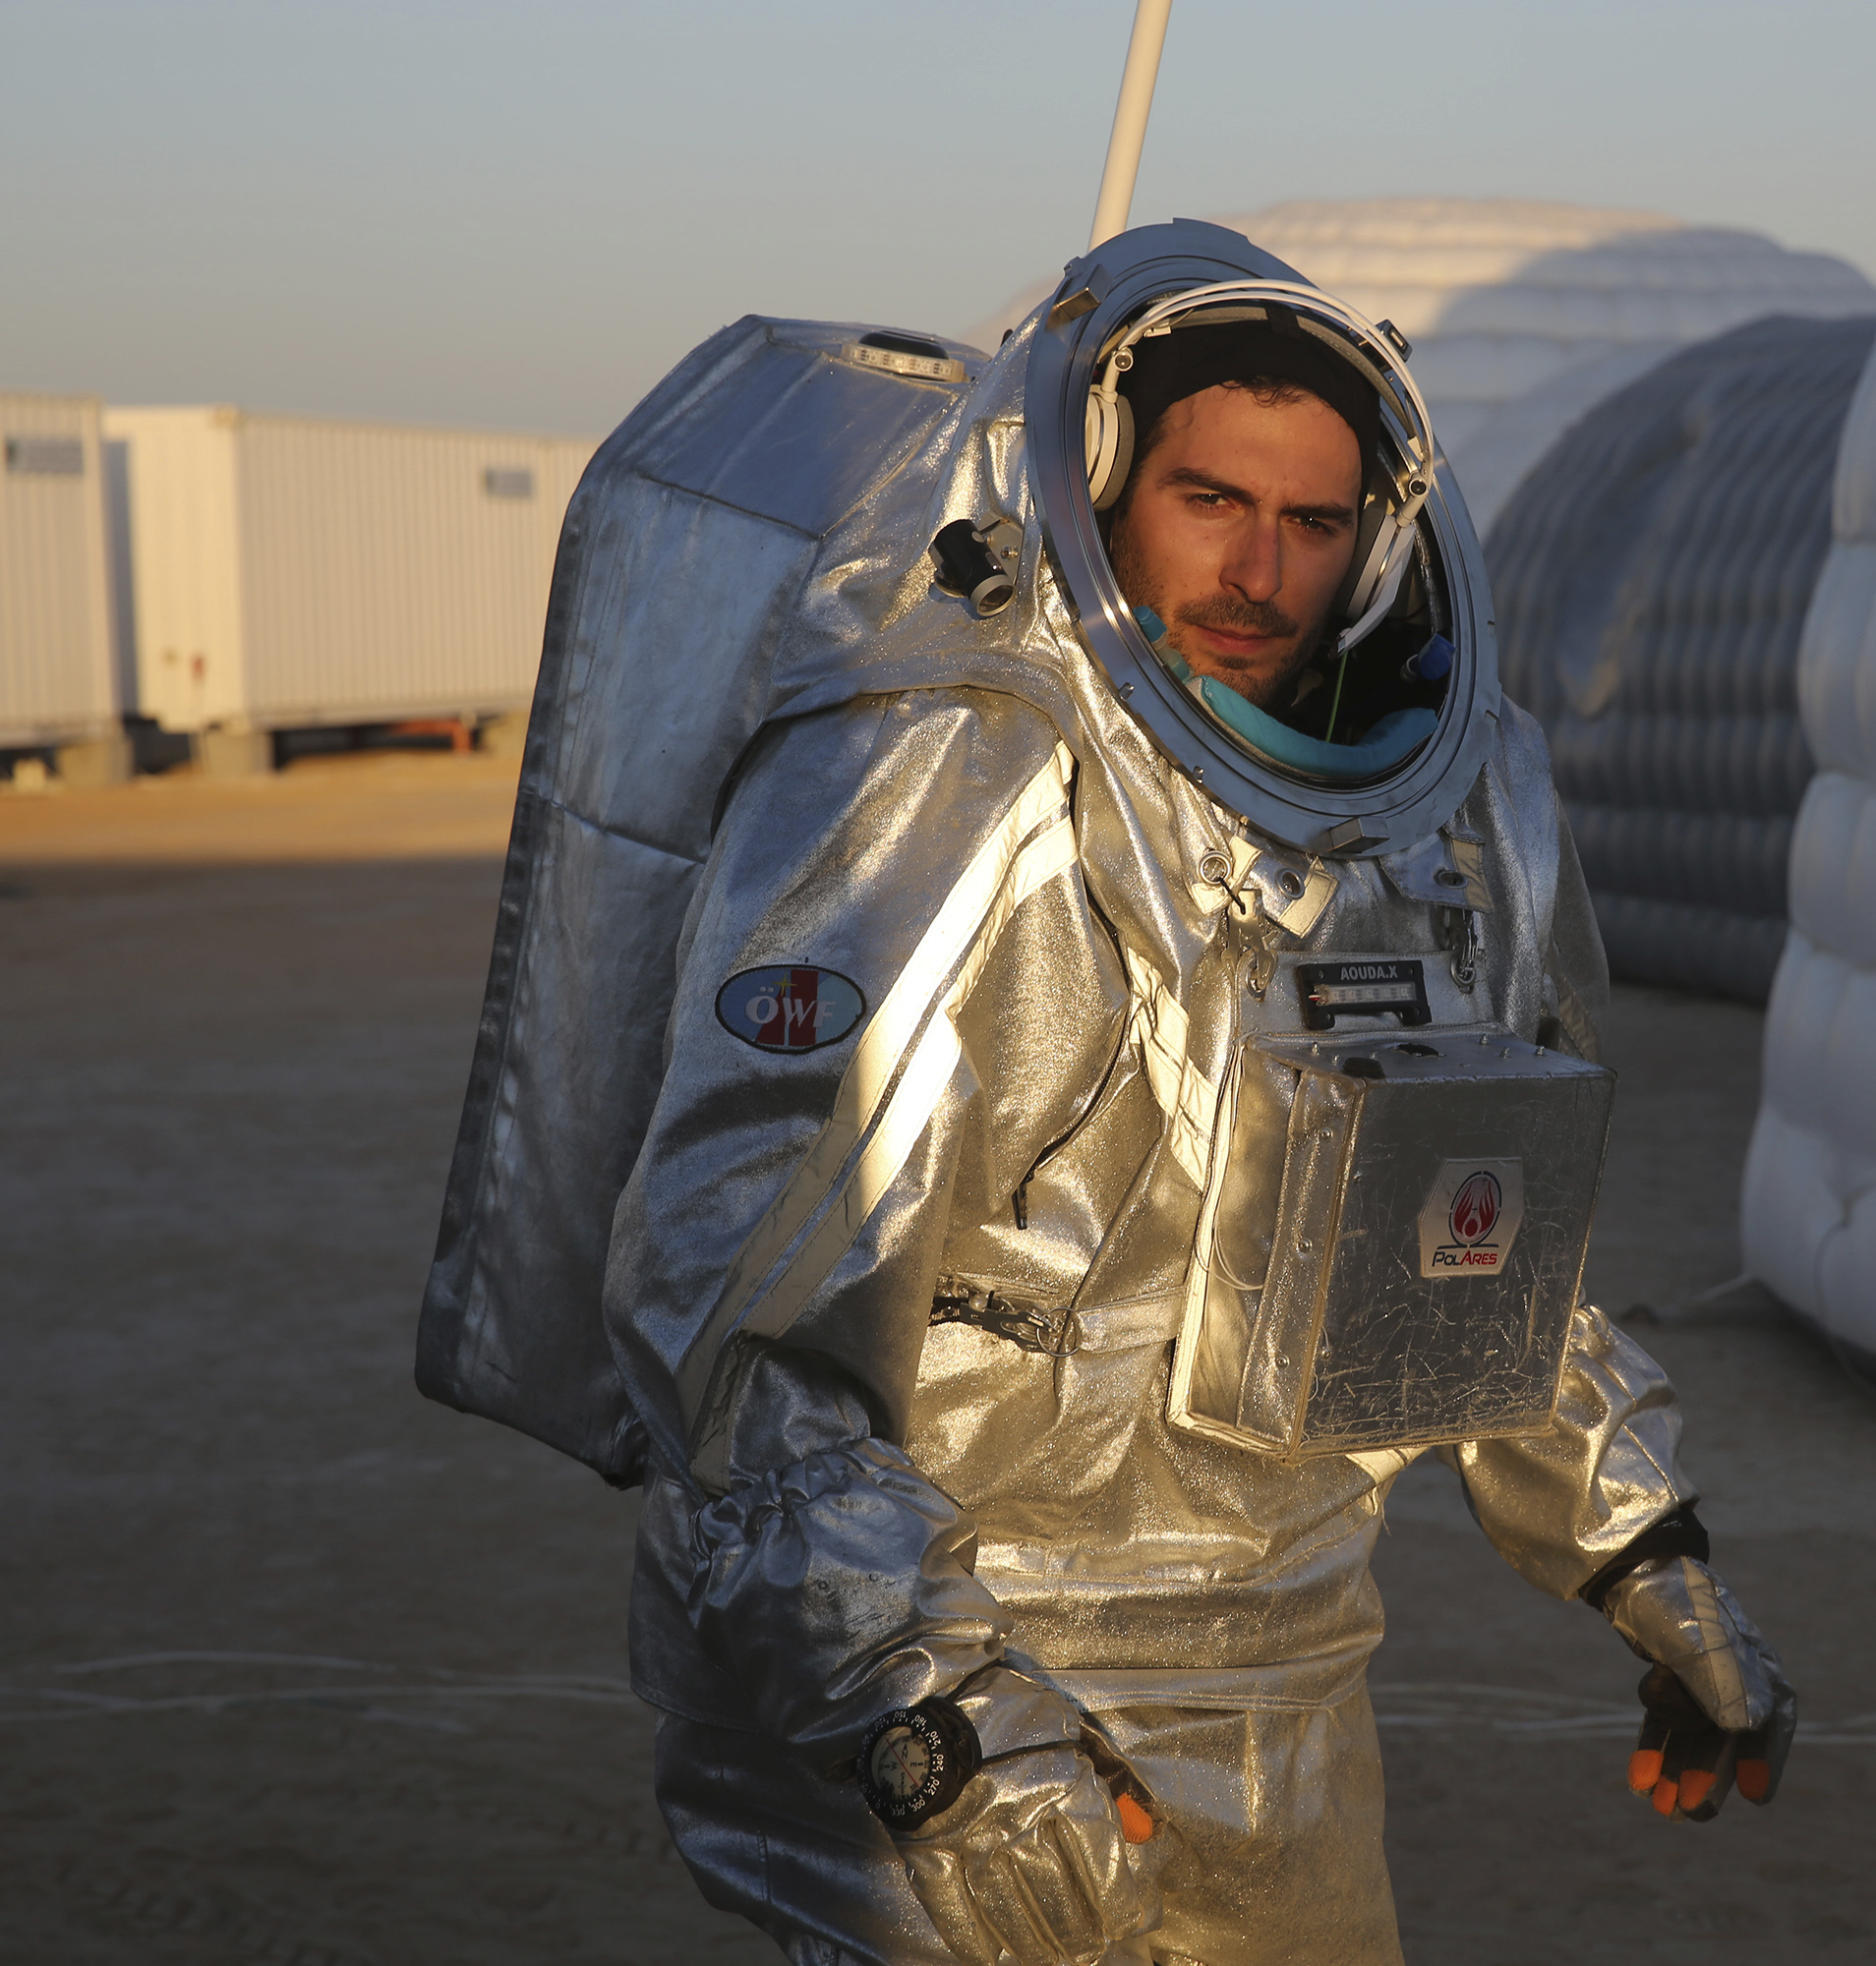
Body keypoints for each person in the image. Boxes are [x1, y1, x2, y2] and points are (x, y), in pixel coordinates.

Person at [448, 230, 1795, 1966]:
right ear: (1097, 481)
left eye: (1314, 522)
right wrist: (923, 1715)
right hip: (971, 1691)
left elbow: (1472, 1234)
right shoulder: (947, 767)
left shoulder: (1453, 807)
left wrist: (1647, 1553)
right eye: (1210, 498)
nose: (1261, 568)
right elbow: (735, 1305)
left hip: (1290, 1682)